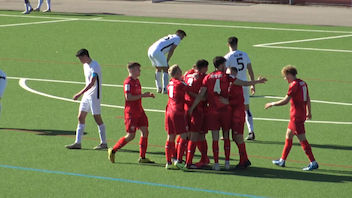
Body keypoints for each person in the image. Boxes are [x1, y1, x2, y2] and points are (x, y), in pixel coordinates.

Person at [265, 65, 318, 171]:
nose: (285, 79)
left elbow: (285, 101)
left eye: (285, 76)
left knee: (302, 139)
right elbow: (307, 98)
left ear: (289, 74)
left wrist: (272, 103)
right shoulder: (303, 83)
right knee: (288, 135)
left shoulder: (294, 85)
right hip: (300, 114)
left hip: (296, 117)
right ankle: (282, 160)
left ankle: (313, 162)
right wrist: (309, 111)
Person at [188, 56, 233, 171]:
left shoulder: (207, 77)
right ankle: (227, 162)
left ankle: (216, 163)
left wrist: (192, 107)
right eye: (225, 64)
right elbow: (239, 84)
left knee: (215, 138)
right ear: (221, 65)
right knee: (226, 136)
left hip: (212, 112)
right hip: (225, 111)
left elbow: (200, 94)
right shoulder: (226, 77)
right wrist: (254, 82)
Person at [108, 62, 155, 164]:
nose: (140, 71)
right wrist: (143, 96)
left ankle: (142, 157)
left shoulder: (137, 81)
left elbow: (137, 95)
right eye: (138, 69)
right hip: (131, 113)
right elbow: (128, 97)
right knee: (130, 136)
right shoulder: (128, 83)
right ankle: (113, 150)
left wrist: (145, 95)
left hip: (139, 111)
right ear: (132, 70)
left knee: (145, 131)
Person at [65, 49, 107, 150]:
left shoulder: (95, 66)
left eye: (80, 58)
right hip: (87, 95)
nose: (79, 60)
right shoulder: (85, 65)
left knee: (97, 118)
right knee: (80, 117)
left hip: (94, 96)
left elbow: (92, 83)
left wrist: (79, 94)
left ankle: (104, 143)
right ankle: (78, 142)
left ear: (85, 56)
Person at [228, 67, 266, 169]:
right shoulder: (231, 82)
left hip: (237, 115)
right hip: (235, 113)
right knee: (235, 138)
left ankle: (243, 161)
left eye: (229, 73)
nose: (227, 75)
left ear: (234, 74)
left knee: (238, 137)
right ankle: (245, 159)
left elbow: (245, 84)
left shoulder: (235, 82)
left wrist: (257, 82)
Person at [224, 36, 256, 140]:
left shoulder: (227, 57)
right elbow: (250, 70)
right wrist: (253, 84)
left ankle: (228, 133)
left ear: (228, 44)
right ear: (237, 43)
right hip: (245, 85)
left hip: (234, 86)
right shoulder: (244, 54)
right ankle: (251, 131)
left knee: (230, 109)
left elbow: (224, 74)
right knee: (246, 109)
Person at [183, 59, 209, 169]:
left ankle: (179, 157)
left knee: (188, 134)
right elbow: (203, 97)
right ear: (203, 68)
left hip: (185, 107)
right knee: (197, 135)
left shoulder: (188, 74)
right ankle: (190, 162)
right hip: (197, 110)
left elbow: (185, 79)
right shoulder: (204, 78)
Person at [164, 64, 189, 169]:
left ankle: (168, 162)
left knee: (170, 136)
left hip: (169, 111)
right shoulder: (180, 84)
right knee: (184, 135)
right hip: (177, 112)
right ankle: (179, 160)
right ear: (178, 73)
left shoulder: (170, 83)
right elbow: (190, 89)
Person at [148, 30, 187, 94]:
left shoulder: (170, 36)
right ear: (179, 34)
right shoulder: (177, 38)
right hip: (157, 51)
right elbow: (172, 50)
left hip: (150, 50)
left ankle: (159, 88)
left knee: (158, 68)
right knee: (166, 68)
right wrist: (167, 60)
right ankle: (165, 89)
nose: (182, 38)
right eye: (182, 36)